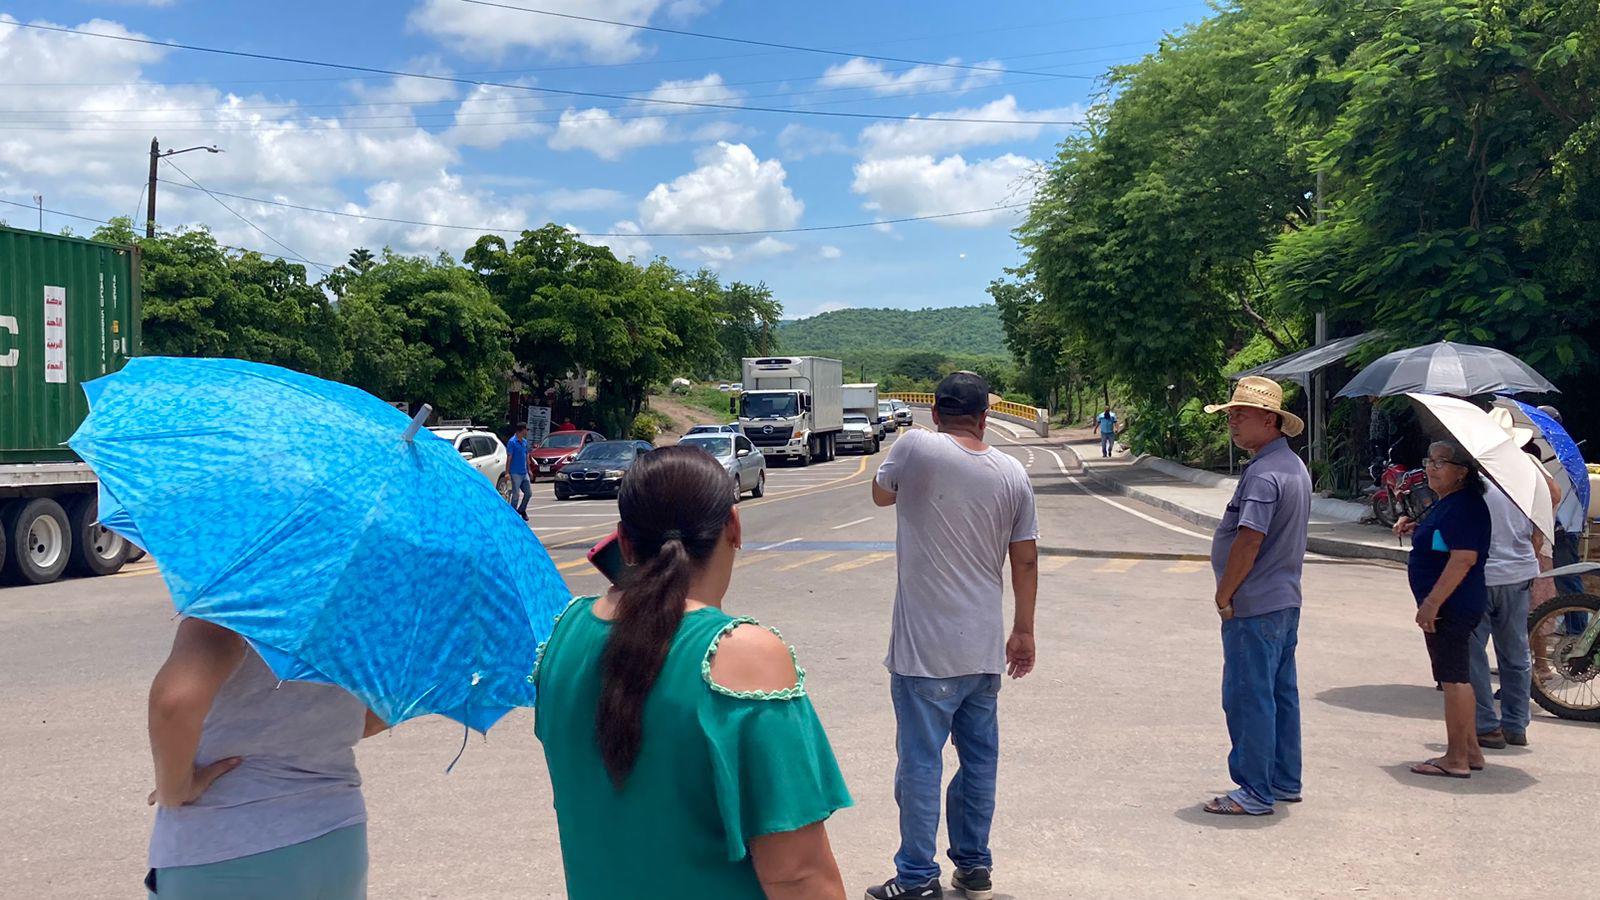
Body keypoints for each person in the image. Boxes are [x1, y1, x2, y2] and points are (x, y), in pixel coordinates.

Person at [533, 446, 851, 900]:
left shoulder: (565, 635)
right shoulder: (745, 656)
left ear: (624, 541)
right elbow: (798, 875)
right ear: (734, 527)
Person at [866, 371, 1039, 900]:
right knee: (979, 761)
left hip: (924, 653)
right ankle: (974, 864)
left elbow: (880, 494)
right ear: (986, 415)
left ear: (935, 413)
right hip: (984, 649)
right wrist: (1024, 631)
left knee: (921, 762)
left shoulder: (916, 444)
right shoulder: (1012, 472)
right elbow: (1025, 559)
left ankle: (917, 879)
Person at [145, 619, 387, 898]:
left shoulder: (235, 603)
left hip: (227, 846)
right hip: (338, 839)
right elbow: (376, 716)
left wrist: (175, 788)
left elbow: (174, 702)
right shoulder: (361, 611)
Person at [1199, 376, 1312, 816]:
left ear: (1269, 420)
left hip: (1256, 603)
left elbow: (1249, 539)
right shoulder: (1292, 467)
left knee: (1249, 697)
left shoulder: (1265, 475)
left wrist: (1225, 593)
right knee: (1281, 694)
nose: (1233, 422)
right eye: (1231, 415)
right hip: (1283, 600)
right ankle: (1283, 780)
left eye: (1240, 415)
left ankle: (1254, 790)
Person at [1395, 440, 1492, 779]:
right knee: (1452, 675)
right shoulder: (1448, 503)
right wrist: (1416, 529)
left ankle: (1455, 758)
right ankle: (1471, 751)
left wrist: (1432, 603)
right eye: (1429, 459)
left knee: (1454, 679)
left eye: (1440, 462)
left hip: (1452, 604)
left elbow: (1463, 558)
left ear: (1462, 472)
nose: (1431, 468)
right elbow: (1442, 541)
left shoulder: (1465, 506)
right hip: (1448, 604)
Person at [1470, 481, 1539, 749]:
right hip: (1519, 573)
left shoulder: (1472, 487)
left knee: (1473, 654)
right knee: (1515, 651)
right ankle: (1516, 723)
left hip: (1483, 575)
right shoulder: (1525, 483)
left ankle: (1485, 724)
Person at [1538, 405, 1590, 635]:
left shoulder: (1558, 455)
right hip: (1563, 523)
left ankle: (1578, 632)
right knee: (1563, 580)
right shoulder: (1559, 452)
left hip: (1562, 526)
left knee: (1567, 580)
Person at [506, 423, 532, 520]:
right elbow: (509, 457)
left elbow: (526, 456)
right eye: (526, 430)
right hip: (515, 472)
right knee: (515, 495)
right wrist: (507, 472)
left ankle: (522, 509)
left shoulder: (524, 442)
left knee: (528, 493)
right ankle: (512, 515)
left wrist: (529, 470)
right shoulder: (512, 442)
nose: (526, 432)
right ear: (521, 430)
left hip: (524, 472)